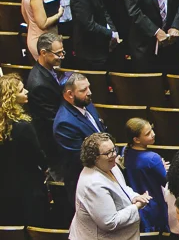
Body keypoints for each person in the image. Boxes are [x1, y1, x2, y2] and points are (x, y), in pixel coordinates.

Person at [68, 133, 148, 240]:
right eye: (108, 153)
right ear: (94, 157)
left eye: (114, 150)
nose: (114, 155)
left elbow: (122, 188)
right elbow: (109, 222)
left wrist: (133, 196)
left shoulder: (110, 166)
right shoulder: (93, 183)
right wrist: (136, 206)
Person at [0, 74, 48, 227]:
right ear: (11, 98)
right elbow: (38, 155)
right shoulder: (22, 125)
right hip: (26, 186)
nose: (26, 91)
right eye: (21, 91)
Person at [53, 73, 108, 204]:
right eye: (83, 90)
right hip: (86, 183)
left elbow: (100, 129)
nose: (89, 92)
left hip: (103, 170)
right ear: (70, 94)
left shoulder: (86, 103)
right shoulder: (64, 123)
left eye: (88, 87)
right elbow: (82, 158)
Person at [70, 0, 120, 71]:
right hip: (89, 51)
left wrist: (113, 30)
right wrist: (110, 33)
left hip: (100, 45)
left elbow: (104, 11)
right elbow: (88, 25)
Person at [122, 118, 169, 233]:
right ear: (136, 139)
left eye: (151, 130)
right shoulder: (152, 158)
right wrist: (162, 168)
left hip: (136, 205)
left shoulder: (125, 151)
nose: (153, 134)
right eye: (148, 133)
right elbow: (166, 181)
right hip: (153, 206)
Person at [25, 32, 64, 167]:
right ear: (43, 53)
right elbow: (51, 120)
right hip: (54, 145)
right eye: (58, 53)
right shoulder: (38, 84)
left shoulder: (47, 70)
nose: (61, 56)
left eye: (62, 52)